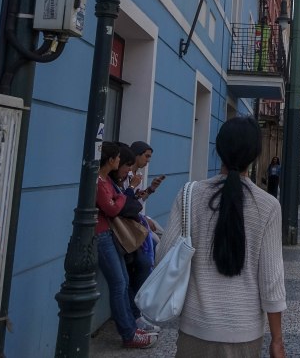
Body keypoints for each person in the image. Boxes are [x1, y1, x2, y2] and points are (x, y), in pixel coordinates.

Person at [161, 117, 286, 357]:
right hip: (244, 334)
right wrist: (277, 340)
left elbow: (165, 257)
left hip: (195, 329)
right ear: (256, 155)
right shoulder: (268, 206)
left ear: (218, 149)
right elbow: (271, 281)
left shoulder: (189, 195)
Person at [95, 142, 158, 349]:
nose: (122, 164)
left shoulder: (107, 181)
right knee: (119, 283)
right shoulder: (99, 182)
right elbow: (112, 208)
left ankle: (131, 326)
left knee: (121, 281)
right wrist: (125, 194)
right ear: (112, 160)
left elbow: (118, 201)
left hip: (110, 234)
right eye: (119, 159)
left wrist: (121, 197)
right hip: (102, 235)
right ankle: (128, 332)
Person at [111, 146, 159, 334]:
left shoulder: (130, 178)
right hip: (123, 231)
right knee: (138, 265)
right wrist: (132, 189)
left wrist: (149, 190)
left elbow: (133, 205)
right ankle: (133, 317)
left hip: (131, 225)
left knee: (156, 246)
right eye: (146, 156)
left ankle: (137, 311)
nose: (148, 160)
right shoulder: (124, 180)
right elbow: (123, 207)